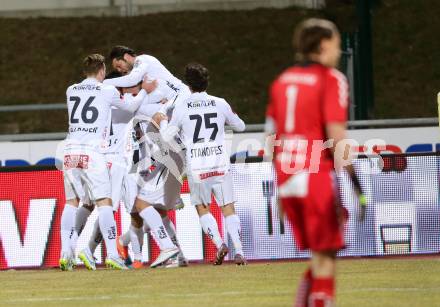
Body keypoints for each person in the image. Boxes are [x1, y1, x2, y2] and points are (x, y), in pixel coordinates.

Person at [265, 18, 364, 306]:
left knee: (320, 254)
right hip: (315, 174)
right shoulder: (332, 79)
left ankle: (304, 299)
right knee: (327, 255)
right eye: (335, 44)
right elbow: (336, 137)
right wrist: (356, 184)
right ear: (323, 45)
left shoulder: (281, 81)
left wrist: (279, 188)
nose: (337, 52)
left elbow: (271, 138)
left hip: (287, 175)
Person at [59, 54, 147, 270]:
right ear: (101, 71)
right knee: (104, 203)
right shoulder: (106, 90)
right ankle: (112, 254)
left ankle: (65, 253)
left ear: (84, 72)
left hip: (70, 152)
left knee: (72, 203)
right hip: (93, 153)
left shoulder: (71, 90)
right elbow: (130, 107)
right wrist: (145, 89)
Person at [163, 63, 247, 265]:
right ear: (206, 82)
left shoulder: (182, 106)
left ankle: (220, 244)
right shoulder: (220, 102)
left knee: (203, 208)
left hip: (198, 165)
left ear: (188, 85)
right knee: (228, 208)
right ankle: (239, 251)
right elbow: (240, 126)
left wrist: (164, 119)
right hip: (219, 163)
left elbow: (166, 137)